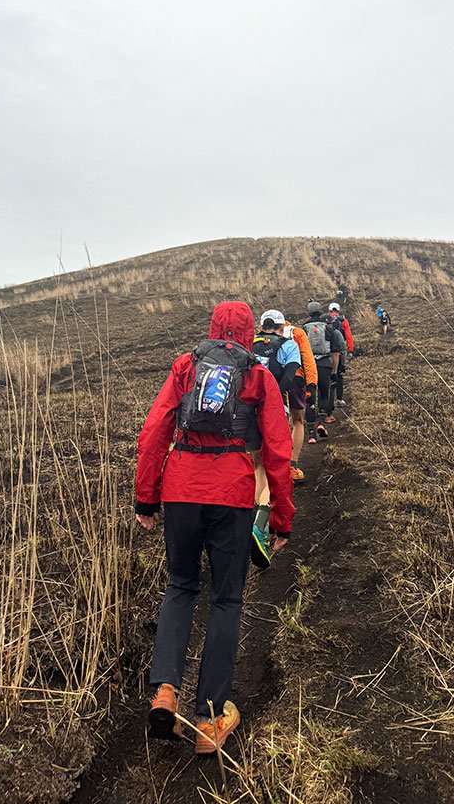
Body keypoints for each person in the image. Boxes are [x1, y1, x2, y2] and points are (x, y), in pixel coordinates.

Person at [135, 301, 295, 753]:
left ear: (211, 329)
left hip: (181, 489)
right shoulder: (258, 377)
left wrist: (146, 496)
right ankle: (208, 719)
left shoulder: (186, 367)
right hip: (233, 495)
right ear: (248, 335)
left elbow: (154, 433)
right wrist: (281, 518)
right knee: (226, 599)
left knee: (181, 586)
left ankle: (165, 690)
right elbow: (279, 454)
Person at [249, 309, 302, 568]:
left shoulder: (248, 344)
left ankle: (250, 519)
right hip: (275, 411)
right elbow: (290, 377)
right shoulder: (289, 345)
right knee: (275, 469)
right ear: (282, 327)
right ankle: (260, 526)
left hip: (247, 411)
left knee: (258, 465)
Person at [282, 320, 318, 481]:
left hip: (272, 382)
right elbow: (308, 359)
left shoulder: (260, 335)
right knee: (297, 421)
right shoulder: (296, 333)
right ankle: (292, 465)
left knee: (275, 423)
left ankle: (272, 466)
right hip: (296, 380)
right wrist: (311, 384)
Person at [302, 301, 344, 442]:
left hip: (308, 366)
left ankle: (311, 432)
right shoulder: (328, 329)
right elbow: (336, 352)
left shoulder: (303, 329)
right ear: (321, 312)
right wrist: (335, 370)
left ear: (308, 312)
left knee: (310, 396)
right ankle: (322, 420)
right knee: (324, 394)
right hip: (325, 364)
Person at [327, 303, 354, 408]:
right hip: (340, 351)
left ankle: (328, 400)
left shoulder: (325, 320)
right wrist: (350, 350)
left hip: (328, 351)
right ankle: (339, 399)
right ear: (338, 311)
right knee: (339, 375)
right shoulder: (343, 321)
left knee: (329, 375)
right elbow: (349, 336)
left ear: (329, 310)